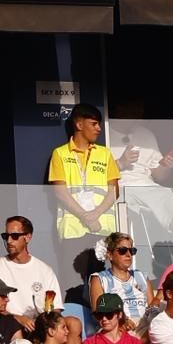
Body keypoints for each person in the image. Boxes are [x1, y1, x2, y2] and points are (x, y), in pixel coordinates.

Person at [48, 103, 121, 270]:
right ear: (79, 125)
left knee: (101, 282)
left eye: (99, 124)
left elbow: (114, 190)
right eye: (94, 124)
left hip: (102, 229)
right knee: (73, 285)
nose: (99, 129)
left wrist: (95, 214)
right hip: (73, 230)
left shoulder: (105, 153)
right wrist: (85, 216)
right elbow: (60, 191)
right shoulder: (60, 153)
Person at [0, 215, 63, 319]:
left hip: (38, 327)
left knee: (73, 323)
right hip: (8, 325)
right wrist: (17, 319)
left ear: (27, 237)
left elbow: (55, 308)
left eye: (14, 236)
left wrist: (43, 325)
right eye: (6, 236)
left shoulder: (45, 271)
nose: (9, 241)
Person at [86, 233, 151, 323]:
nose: (128, 254)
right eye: (122, 250)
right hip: (118, 328)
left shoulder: (141, 276)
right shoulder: (99, 279)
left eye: (131, 250)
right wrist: (122, 323)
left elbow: (152, 308)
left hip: (145, 326)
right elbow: (98, 313)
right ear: (110, 255)